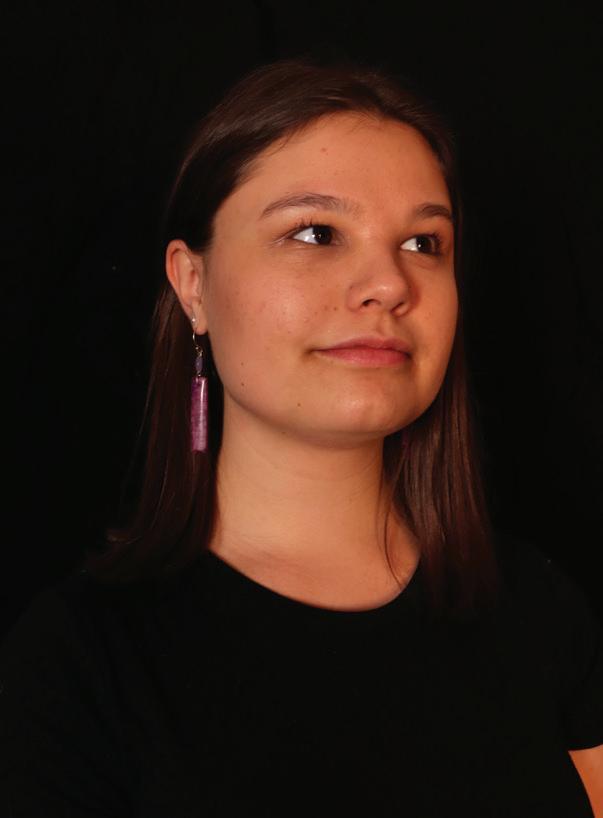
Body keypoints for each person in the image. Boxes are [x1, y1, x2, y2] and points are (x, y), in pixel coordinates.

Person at [1, 55, 602, 817]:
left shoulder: (539, 611)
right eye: (316, 233)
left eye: (423, 243)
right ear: (192, 285)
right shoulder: (77, 667)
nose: (388, 284)